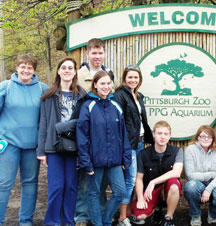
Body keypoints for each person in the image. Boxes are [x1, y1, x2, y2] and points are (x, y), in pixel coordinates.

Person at [77, 70, 132, 226]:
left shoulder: (116, 105)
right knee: (94, 193)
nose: (106, 87)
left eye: (108, 83)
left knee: (120, 192)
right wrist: (86, 162)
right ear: (95, 85)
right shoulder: (88, 105)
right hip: (95, 161)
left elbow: (123, 135)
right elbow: (82, 137)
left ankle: (106, 220)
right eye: (102, 83)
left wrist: (125, 158)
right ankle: (97, 223)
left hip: (114, 161)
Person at [36, 57, 86, 226]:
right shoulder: (49, 95)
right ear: (58, 71)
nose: (66, 70)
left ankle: (68, 221)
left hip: (74, 148)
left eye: (70, 68)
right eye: (63, 67)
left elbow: (85, 121)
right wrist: (41, 151)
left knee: (71, 187)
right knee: (56, 188)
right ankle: (52, 222)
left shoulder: (82, 95)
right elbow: (43, 124)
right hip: (54, 147)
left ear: (75, 71)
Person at [0, 54, 47, 226]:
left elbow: (47, 117)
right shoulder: (6, 87)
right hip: (8, 143)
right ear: (17, 68)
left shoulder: (42, 88)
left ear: (34, 70)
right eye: (23, 66)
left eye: (30, 67)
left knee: (30, 183)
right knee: (4, 184)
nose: (26, 70)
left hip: (31, 145)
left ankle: (26, 221)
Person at [75, 38, 115, 226]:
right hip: (87, 134)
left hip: (105, 138)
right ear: (87, 53)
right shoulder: (78, 75)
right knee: (85, 179)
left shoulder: (108, 74)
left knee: (102, 182)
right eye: (94, 53)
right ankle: (82, 216)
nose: (97, 56)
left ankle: (97, 214)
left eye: (100, 53)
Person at [113, 65, 153, 226]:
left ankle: (129, 212)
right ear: (124, 78)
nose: (133, 80)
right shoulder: (119, 96)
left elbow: (141, 120)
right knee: (130, 179)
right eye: (130, 77)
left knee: (136, 178)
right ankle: (122, 217)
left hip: (140, 142)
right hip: (128, 143)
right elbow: (118, 123)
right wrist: (123, 146)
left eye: (136, 77)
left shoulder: (138, 96)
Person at [131, 121, 183, 226]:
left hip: (168, 188)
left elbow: (177, 172)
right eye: (159, 133)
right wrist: (140, 198)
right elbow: (139, 178)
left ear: (170, 136)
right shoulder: (143, 154)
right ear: (154, 134)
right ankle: (156, 209)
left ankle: (168, 217)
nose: (162, 137)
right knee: (139, 216)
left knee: (174, 185)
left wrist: (153, 182)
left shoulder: (177, 151)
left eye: (165, 134)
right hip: (151, 192)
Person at [184, 125, 216, 226]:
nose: (206, 139)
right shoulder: (190, 150)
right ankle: (195, 214)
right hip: (197, 184)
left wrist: (208, 189)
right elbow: (190, 175)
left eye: (209, 136)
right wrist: (212, 174)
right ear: (198, 137)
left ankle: (213, 213)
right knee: (190, 187)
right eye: (202, 136)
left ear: (213, 138)